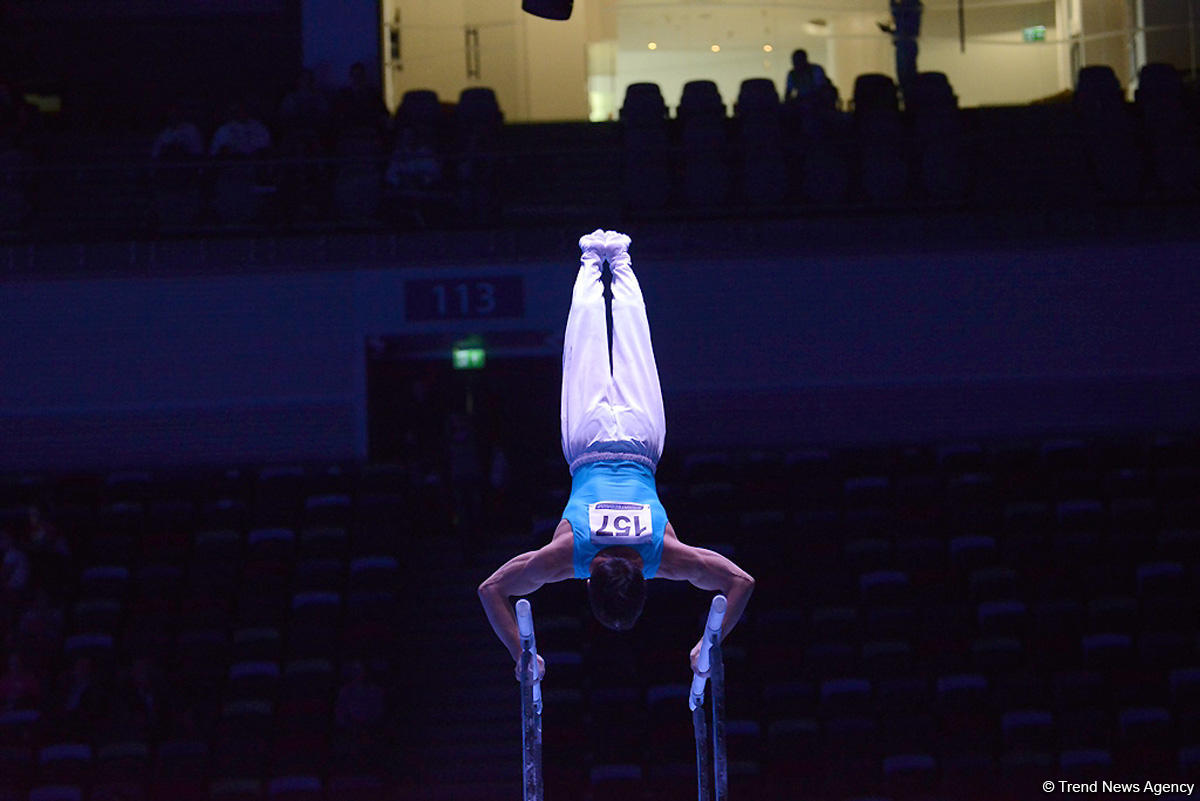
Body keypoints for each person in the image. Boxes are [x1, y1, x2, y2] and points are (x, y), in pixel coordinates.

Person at [478, 230, 755, 683]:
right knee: (585, 349)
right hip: (586, 444)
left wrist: (710, 641)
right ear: (588, 582)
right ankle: (592, 260)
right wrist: (521, 654)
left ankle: (619, 261)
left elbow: (741, 582)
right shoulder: (569, 556)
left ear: (645, 581)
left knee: (634, 349)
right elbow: (491, 590)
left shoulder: (664, 556)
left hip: (643, 442)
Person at [879, 0, 924, 98]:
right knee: (903, 74)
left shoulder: (911, 6)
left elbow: (907, 29)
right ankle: (907, 95)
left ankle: (909, 97)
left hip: (906, 45)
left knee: (906, 74)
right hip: (903, 44)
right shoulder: (908, 7)